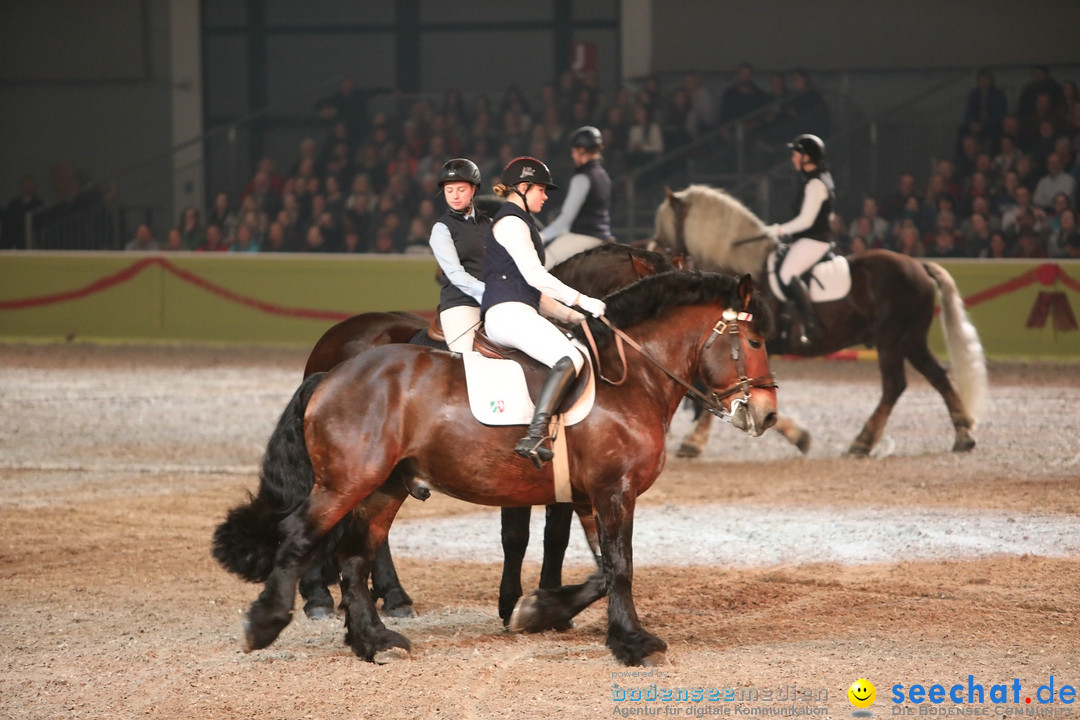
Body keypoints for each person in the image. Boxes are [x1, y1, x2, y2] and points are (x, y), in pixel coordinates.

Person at [481, 157, 606, 468]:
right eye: (541, 189)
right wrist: (583, 300)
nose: (546, 196)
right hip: (507, 313)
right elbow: (536, 276)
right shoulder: (511, 222)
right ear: (522, 188)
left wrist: (573, 316)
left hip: (518, 308)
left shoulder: (520, 221)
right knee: (570, 359)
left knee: (574, 348)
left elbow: (533, 292)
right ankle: (535, 434)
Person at [767, 133, 835, 346]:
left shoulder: (816, 184)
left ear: (806, 157)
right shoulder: (813, 179)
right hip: (806, 238)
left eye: (796, 154)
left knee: (787, 273)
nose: (793, 158)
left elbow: (806, 221)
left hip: (814, 240)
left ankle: (811, 324)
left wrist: (778, 230)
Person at [428, 158, 491, 353]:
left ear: (473, 190)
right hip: (461, 304)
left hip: (495, 301)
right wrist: (491, 292)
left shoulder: (489, 222)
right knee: (470, 359)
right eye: (449, 190)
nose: (454, 196)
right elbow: (455, 274)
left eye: (461, 190)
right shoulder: (441, 229)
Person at [538, 126, 613, 269]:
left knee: (542, 261)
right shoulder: (603, 175)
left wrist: (542, 236)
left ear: (581, 150)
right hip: (603, 235)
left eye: (573, 150)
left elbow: (566, 217)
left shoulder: (582, 178)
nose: (572, 155)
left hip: (584, 235)